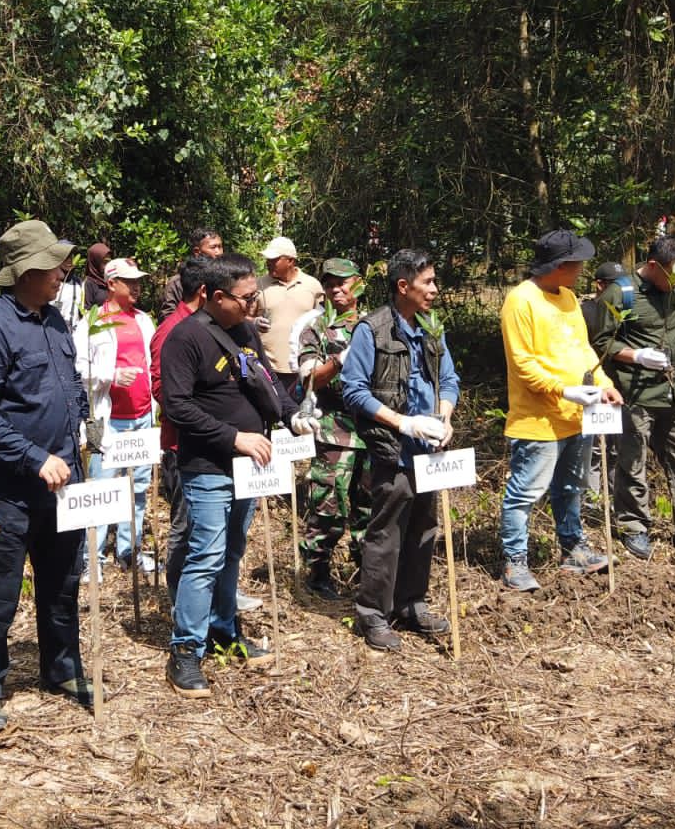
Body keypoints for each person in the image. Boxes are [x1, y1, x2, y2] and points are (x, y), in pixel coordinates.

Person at [0, 220, 91, 734]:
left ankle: (62, 670)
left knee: (62, 584)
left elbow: (70, 383)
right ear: (25, 271)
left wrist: (81, 428)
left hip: (64, 482)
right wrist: (34, 456)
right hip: (7, 492)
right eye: (53, 265)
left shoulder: (55, 321)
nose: (62, 272)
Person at [161, 253, 298, 697]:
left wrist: (294, 416)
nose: (253, 305)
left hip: (249, 467)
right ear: (216, 296)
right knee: (206, 553)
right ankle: (185, 650)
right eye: (245, 298)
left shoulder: (242, 331)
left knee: (233, 550)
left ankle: (224, 631)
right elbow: (178, 406)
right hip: (207, 466)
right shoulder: (184, 339)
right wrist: (233, 437)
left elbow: (266, 380)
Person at [339, 250, 458, 649]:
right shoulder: (371, 330)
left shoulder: (432, 329)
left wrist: (444, 417)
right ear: (403, 286)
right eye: (428, 282)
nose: (435, 290)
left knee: (425, 527)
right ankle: (373, 613)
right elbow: (353, 391)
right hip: (393, 449)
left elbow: (449, 379)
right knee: (387, 533)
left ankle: (412, 603)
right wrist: (403, 422)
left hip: (430, 450)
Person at [589, 237, 675, 563]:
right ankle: (634, 525)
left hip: (674, 390)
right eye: (672, 276)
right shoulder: (619, 293)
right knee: (633, 462)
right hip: (635, 393)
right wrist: (636, 356)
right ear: (652, 266)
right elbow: (598, 342)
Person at [498, 230, 620, 591]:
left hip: (575, 416)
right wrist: (564, 389)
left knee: (570, 487)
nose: (582, 270)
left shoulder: (568, 297)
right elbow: (523, 364)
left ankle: (573, 549)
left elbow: (582, 350)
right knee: (525, 493)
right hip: (537, 420)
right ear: (558, 266)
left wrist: (604, 384)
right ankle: (514, 562)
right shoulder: (520, 301)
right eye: (577, 263)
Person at [291, 258, 374, 601]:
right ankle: (318, 572)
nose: (337, 289)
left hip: (371, 429)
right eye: (330, 284)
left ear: (358, 283)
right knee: (328, 504)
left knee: (369, 505)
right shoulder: (315, 328)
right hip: (334, 429)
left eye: (343, 282)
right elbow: (309, 379)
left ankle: (365, 571)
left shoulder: (374, 324)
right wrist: (340, 360)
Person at [75, 258, 157, 573]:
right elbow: (79, 367)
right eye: (129, 281)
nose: (137, 286)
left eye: (138, 281)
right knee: (100, 486)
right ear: (111, 284)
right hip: (105, 419)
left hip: (142, 416)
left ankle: (129, 550)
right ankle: (91, 558)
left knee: (137, 486)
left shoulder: (144, 320)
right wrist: (111, 375)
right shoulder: (93, 321)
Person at [150, 255, 209, 598]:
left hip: (212, 444)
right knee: (185, 525)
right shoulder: (171, 330)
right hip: (182, 444)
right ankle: (178, 598)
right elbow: (162, 391)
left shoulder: (209, 325)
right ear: (204, 291)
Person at [255, 237, 324, 392]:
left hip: (302, 367)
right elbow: (243, 317)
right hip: (267, 367)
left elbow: (323, 321)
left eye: (274, 259)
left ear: (290, 261)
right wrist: (254, 322)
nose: (268, 263)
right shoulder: (258, 285)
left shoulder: (312, 285)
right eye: (268, 259)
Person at [159, 228, 223, 319]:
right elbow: (167, 316)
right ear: (197, 252)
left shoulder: (226, 278)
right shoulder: (178, 282)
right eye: (213, 247)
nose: (219, 252)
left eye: (220, 247)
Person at [581, 261, 629, 347]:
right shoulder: (583, 312)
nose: (621, 286)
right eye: (616, 284)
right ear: (600, 284)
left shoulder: (627, 308)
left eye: (624, 282)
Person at [81, 243, 111, 309]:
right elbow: (86, 311)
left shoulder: (110, 280)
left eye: (109, 262)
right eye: (104, 262)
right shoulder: (89, 283)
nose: (107, 265)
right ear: (95, 262)